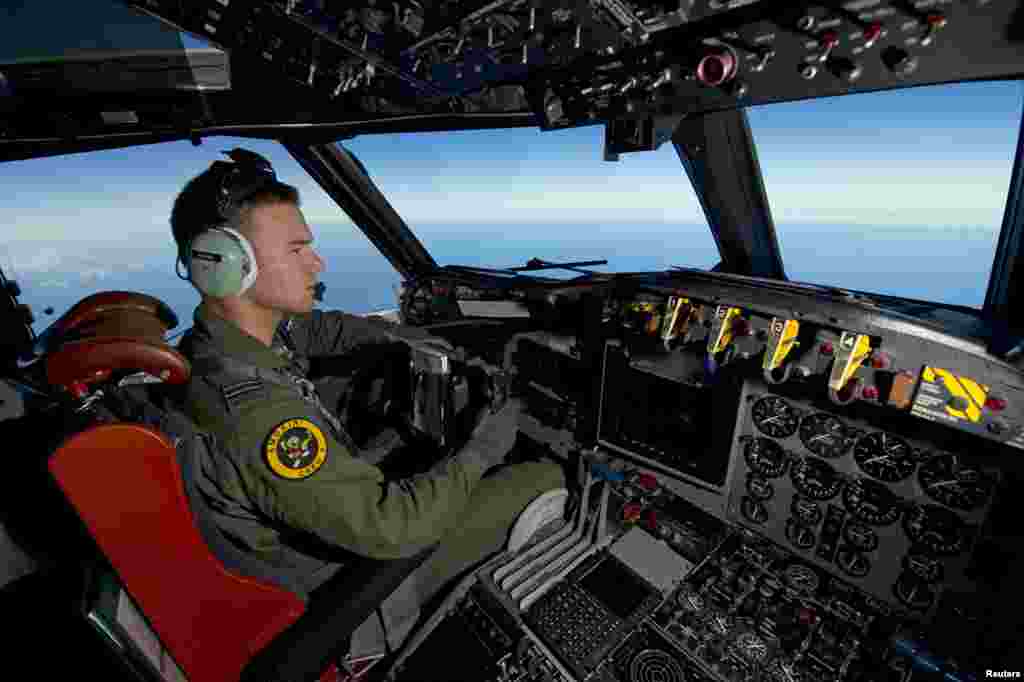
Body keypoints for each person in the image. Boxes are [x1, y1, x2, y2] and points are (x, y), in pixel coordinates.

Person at [170, 148, 566, 654]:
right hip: (349, 592)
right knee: (539, 476)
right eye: (296, 250)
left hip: (309, 536)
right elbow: (390, 527)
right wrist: (483, 450)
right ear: (225, 268)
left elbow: (318, 329)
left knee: (421, 451)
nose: (317, 262)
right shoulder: (257, 414)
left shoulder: (222, 345)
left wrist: (401, 341)